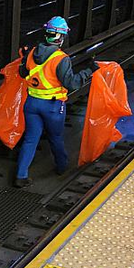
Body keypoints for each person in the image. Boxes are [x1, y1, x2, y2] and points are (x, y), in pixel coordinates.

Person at [15, 16, 97, 187]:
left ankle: (21, 175)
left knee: (30, 139)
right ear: (60, 37)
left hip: (31, 104)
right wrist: (89, 71)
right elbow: (72, 83)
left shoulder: (32, 52)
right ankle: (62, 167)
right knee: (55, 137)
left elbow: (23, 73)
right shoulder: (61, 58)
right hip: (52, 107)